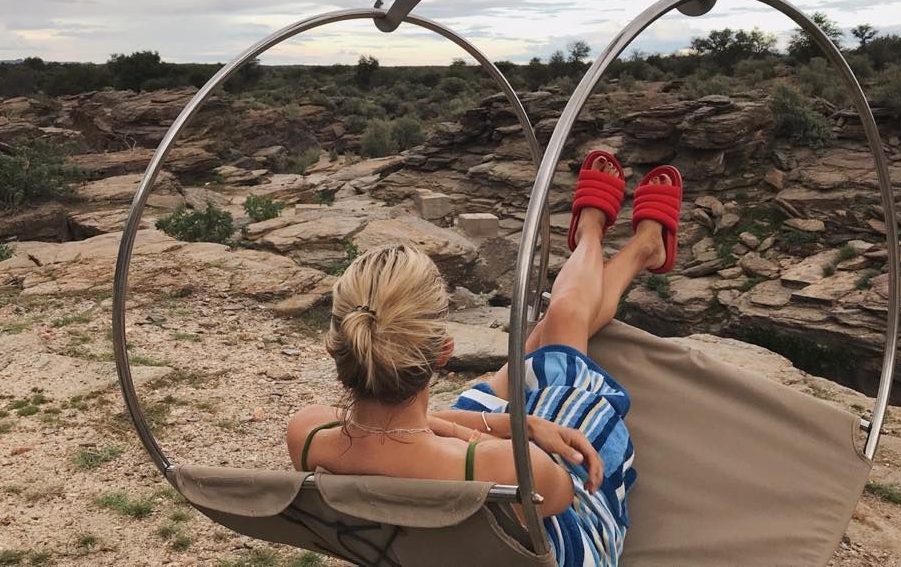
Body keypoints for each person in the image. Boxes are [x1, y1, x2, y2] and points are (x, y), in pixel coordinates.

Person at [287, 152, 682, 567]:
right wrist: (513, 432)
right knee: (563, 329)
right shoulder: (510, 467)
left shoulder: (309, 435)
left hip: (421, 541)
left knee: (550, 333)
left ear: (335, 347)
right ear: (444, 352)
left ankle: (615, 241)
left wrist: (518, 425)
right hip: (568, 538)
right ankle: (610, 240)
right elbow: (568, 492)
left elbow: (394, 431)